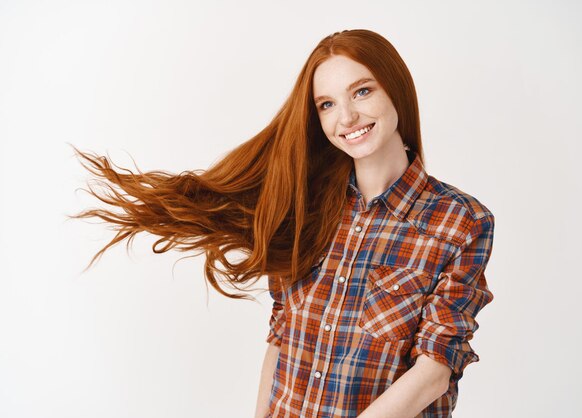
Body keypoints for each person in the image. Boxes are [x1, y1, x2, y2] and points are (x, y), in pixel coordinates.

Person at [70, 29, 495, 418]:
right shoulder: (306, 205)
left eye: (362, 92)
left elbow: (435, 368)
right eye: (327, 105)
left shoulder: (460, 221)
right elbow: (281, 335)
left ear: (396, 92)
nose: (345, 118)